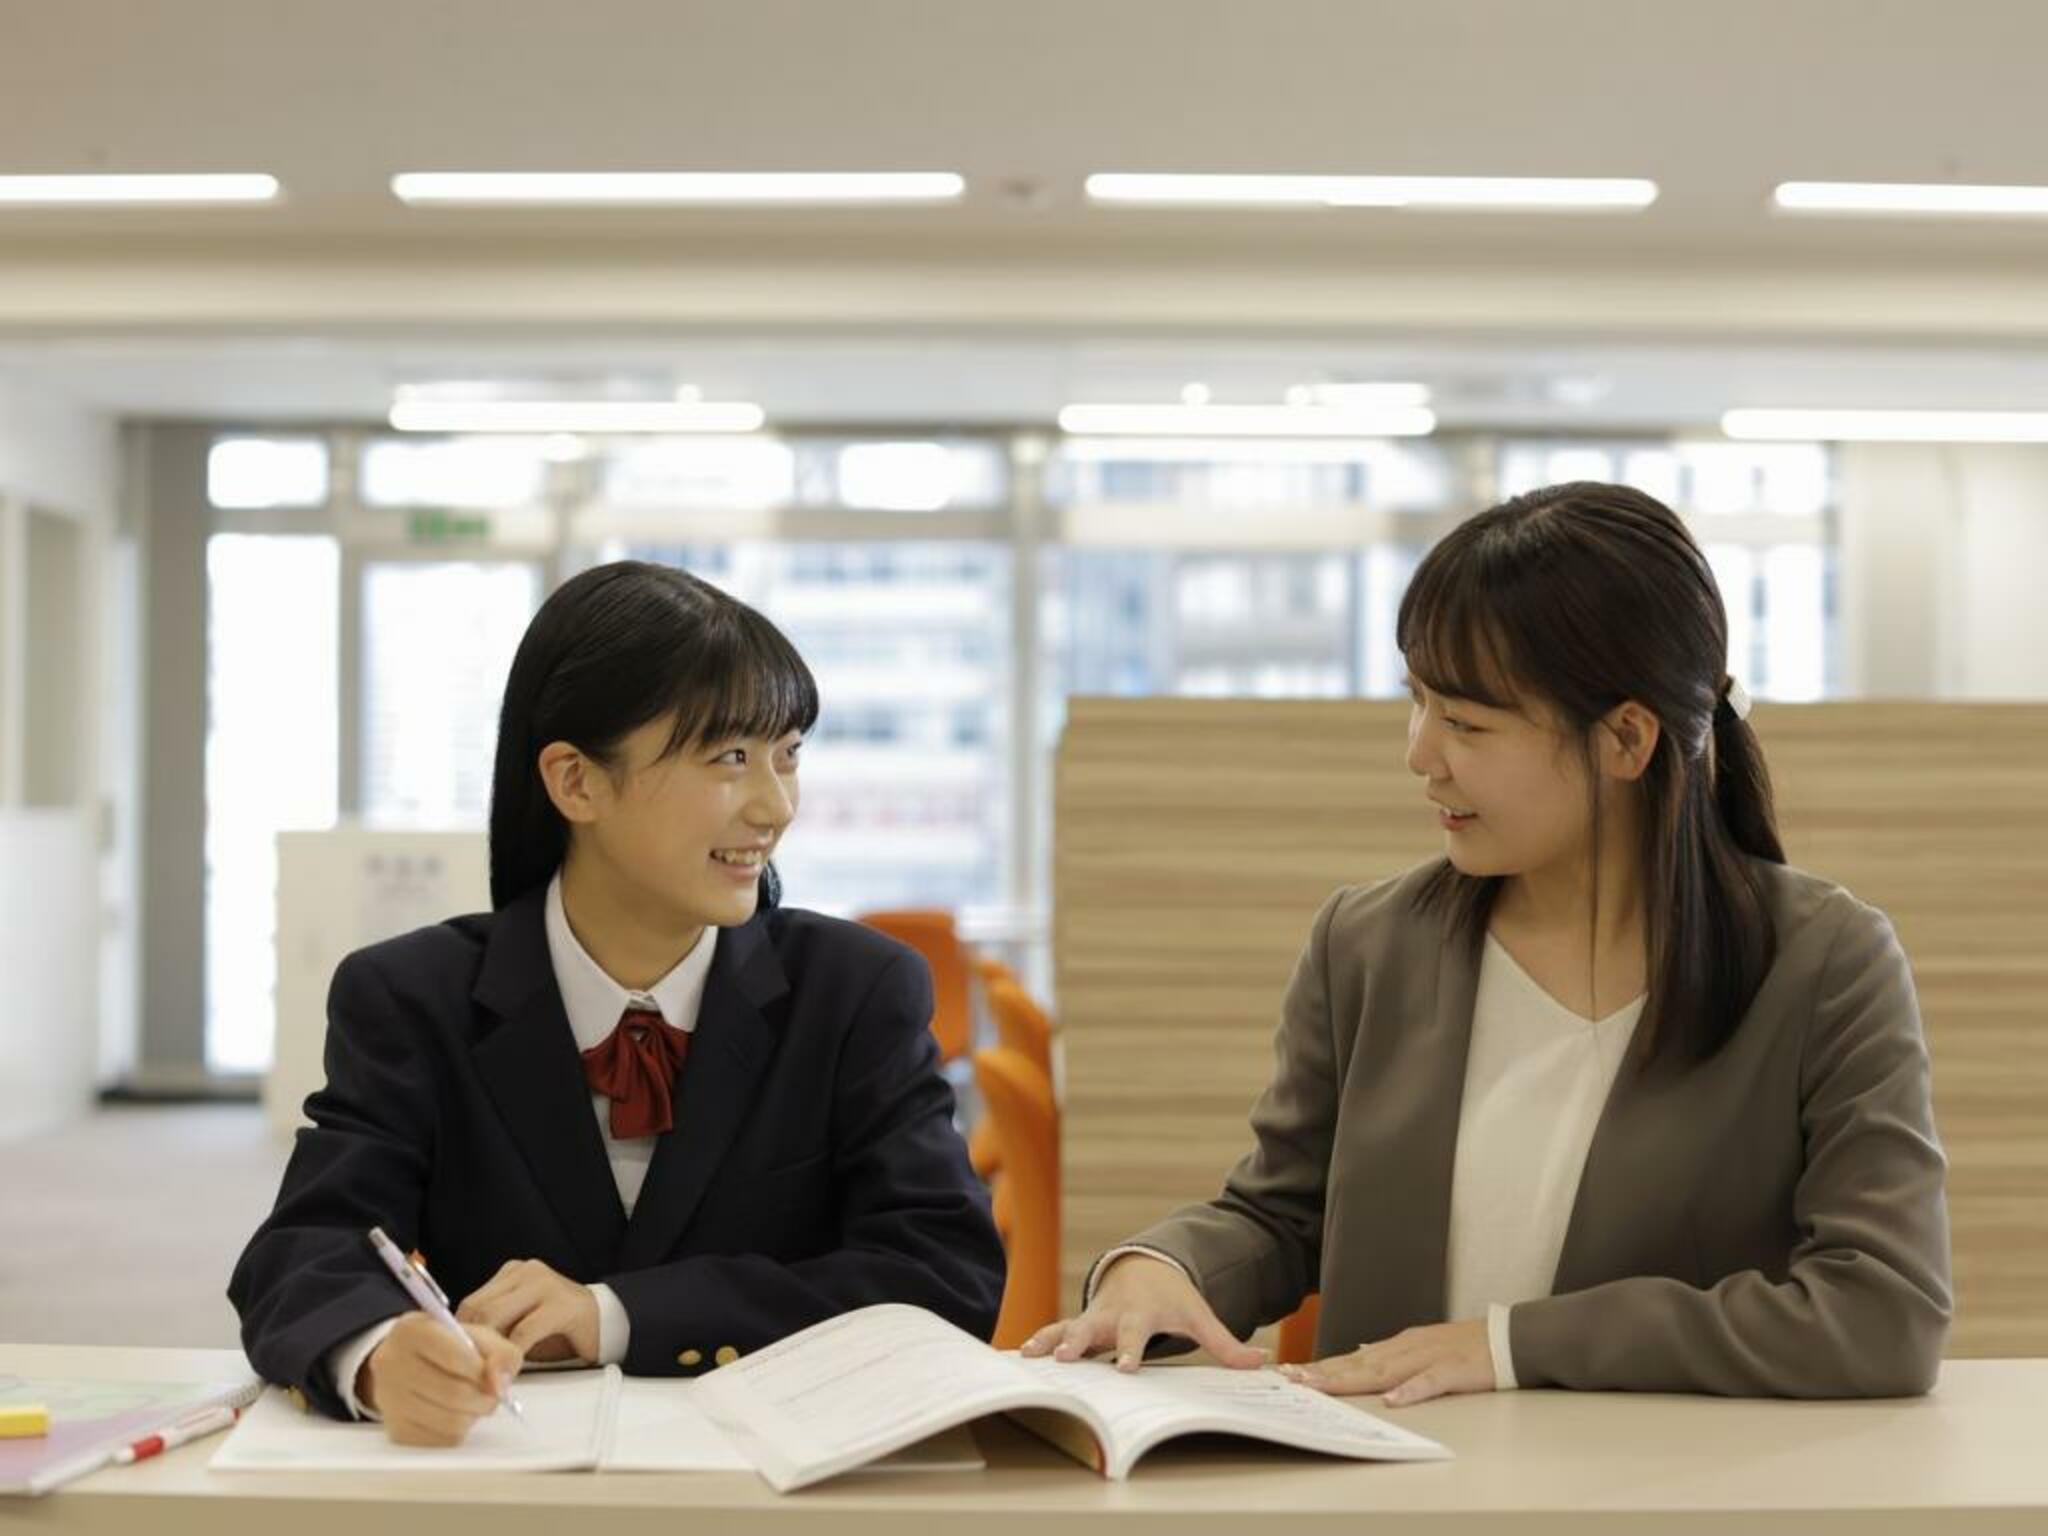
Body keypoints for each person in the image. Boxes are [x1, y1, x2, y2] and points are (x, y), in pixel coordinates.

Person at [1026, 481, 1950, 1405]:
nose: (1421, 753)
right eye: (1418, 703)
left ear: (1626, 739)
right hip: (1401, 1485)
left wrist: (1511, 1346)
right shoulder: (1369, 943)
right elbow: (1281, 1212)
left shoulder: (1825, 962)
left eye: (1466, 721)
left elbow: (1882, 1312)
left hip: (1666, 1495)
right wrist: (1163, 1266)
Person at [230, 561, 1004, 1445]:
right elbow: (303, 1251)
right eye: (731, 759)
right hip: (505, 1491)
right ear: (575, 783)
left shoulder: (857, 991)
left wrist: (617, 1314)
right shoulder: (411, 997)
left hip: (778, 1489)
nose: (776, 805)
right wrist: (378, 1353)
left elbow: (945, 1277)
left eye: (788, 756)